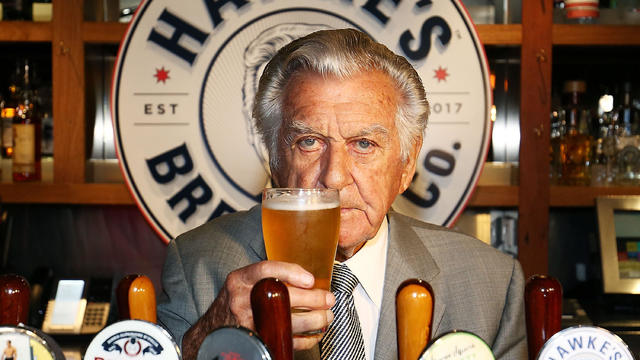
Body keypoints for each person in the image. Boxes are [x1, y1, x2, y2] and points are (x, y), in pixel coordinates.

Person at [157, 28, 527, 360]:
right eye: (309, 141)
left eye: (364, 143)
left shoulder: (492, 283)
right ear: (274, 161)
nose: (333, 177)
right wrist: (207, 342)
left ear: (406, 165)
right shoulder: (196, 267)